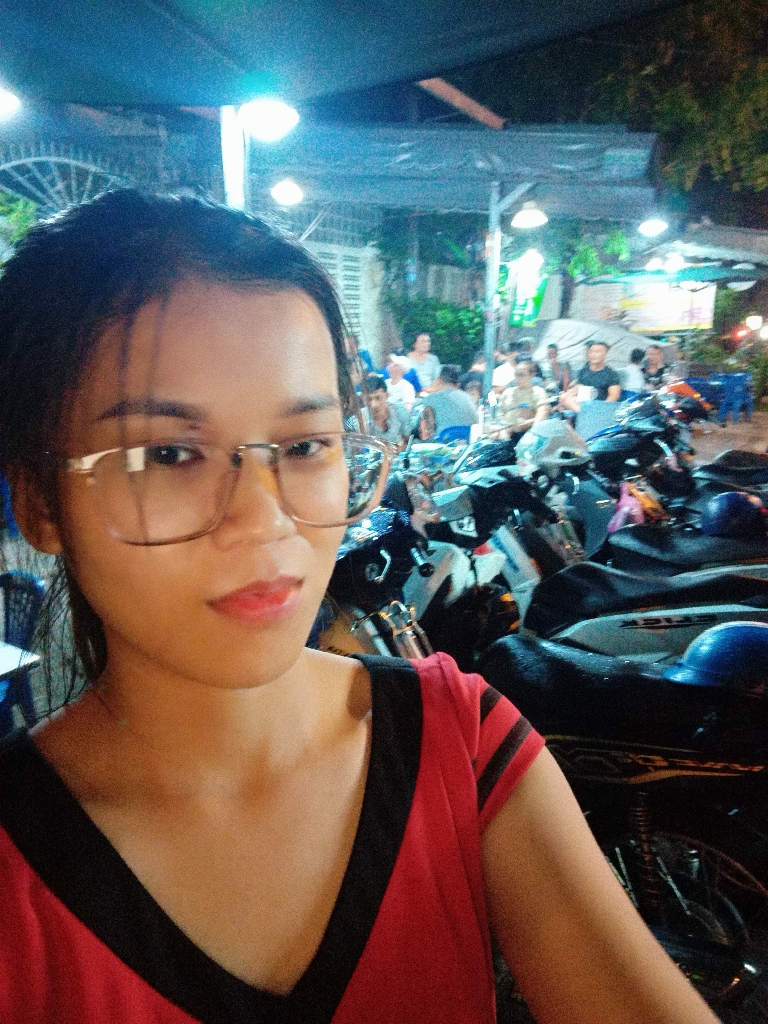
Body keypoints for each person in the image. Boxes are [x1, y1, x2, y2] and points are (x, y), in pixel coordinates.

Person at [0, 189, 717, 1024]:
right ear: (41, 503)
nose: (265, 519)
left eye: (306, 446)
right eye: (166, 455)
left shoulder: (460, 746)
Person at [419, 364, 479, 435]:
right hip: (466, 439)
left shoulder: (431, 399)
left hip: (442, 439)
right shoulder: (468, 397)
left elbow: (417, 420)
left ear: (438, 381)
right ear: (458, 385)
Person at [498, 359, 550, 436]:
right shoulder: (507, 393)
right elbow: (499, 415)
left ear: (531, 375)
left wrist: (532, 432)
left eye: (521, 375)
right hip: (506, 433)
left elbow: (542, 413)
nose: (517, 378)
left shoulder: (537, 392)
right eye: (516, 374)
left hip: (527, 434)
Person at [362, 374, 410, 447]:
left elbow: (408, 442)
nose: (373, 405)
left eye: (378, 398)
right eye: (369, 399)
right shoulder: (358, 421)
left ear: (386, 395)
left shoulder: (400, 412)